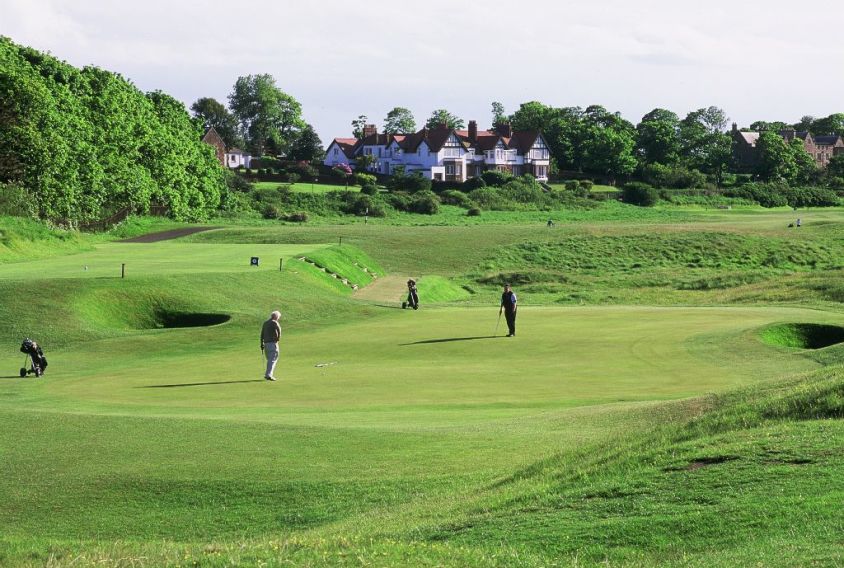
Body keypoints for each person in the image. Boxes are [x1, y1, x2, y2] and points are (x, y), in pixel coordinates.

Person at [260, 310, 281, 381]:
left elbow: (262, 334)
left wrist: (261, 344)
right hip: (273, 344)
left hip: (266, 344)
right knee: (273, 359)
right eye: (278, 317)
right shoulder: (275, 322)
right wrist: (278, 339)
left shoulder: (265, 323)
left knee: (270, 360)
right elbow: (279, 331)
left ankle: (268, 374)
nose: (278, 319)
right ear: (276, 317)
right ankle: (268, 375)